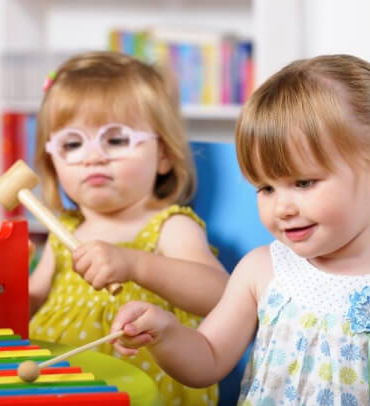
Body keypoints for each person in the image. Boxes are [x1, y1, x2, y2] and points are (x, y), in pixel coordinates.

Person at [109, 54, 370, 405]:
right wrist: (165, 333)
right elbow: (208, 357)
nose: (282, 208)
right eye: (266, 188)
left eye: (303, 183)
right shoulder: (261, 271)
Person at [28, 51, 228, 406]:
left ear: (164, 155)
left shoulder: (168, 226)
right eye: (72, 144)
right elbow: (29, 302)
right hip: (56, 388)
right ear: (52, 161)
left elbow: (220, 296)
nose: (93, 157)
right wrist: (2, 281)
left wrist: (135, 264)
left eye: (116, 140)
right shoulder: (63, 232)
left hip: (139, 394)